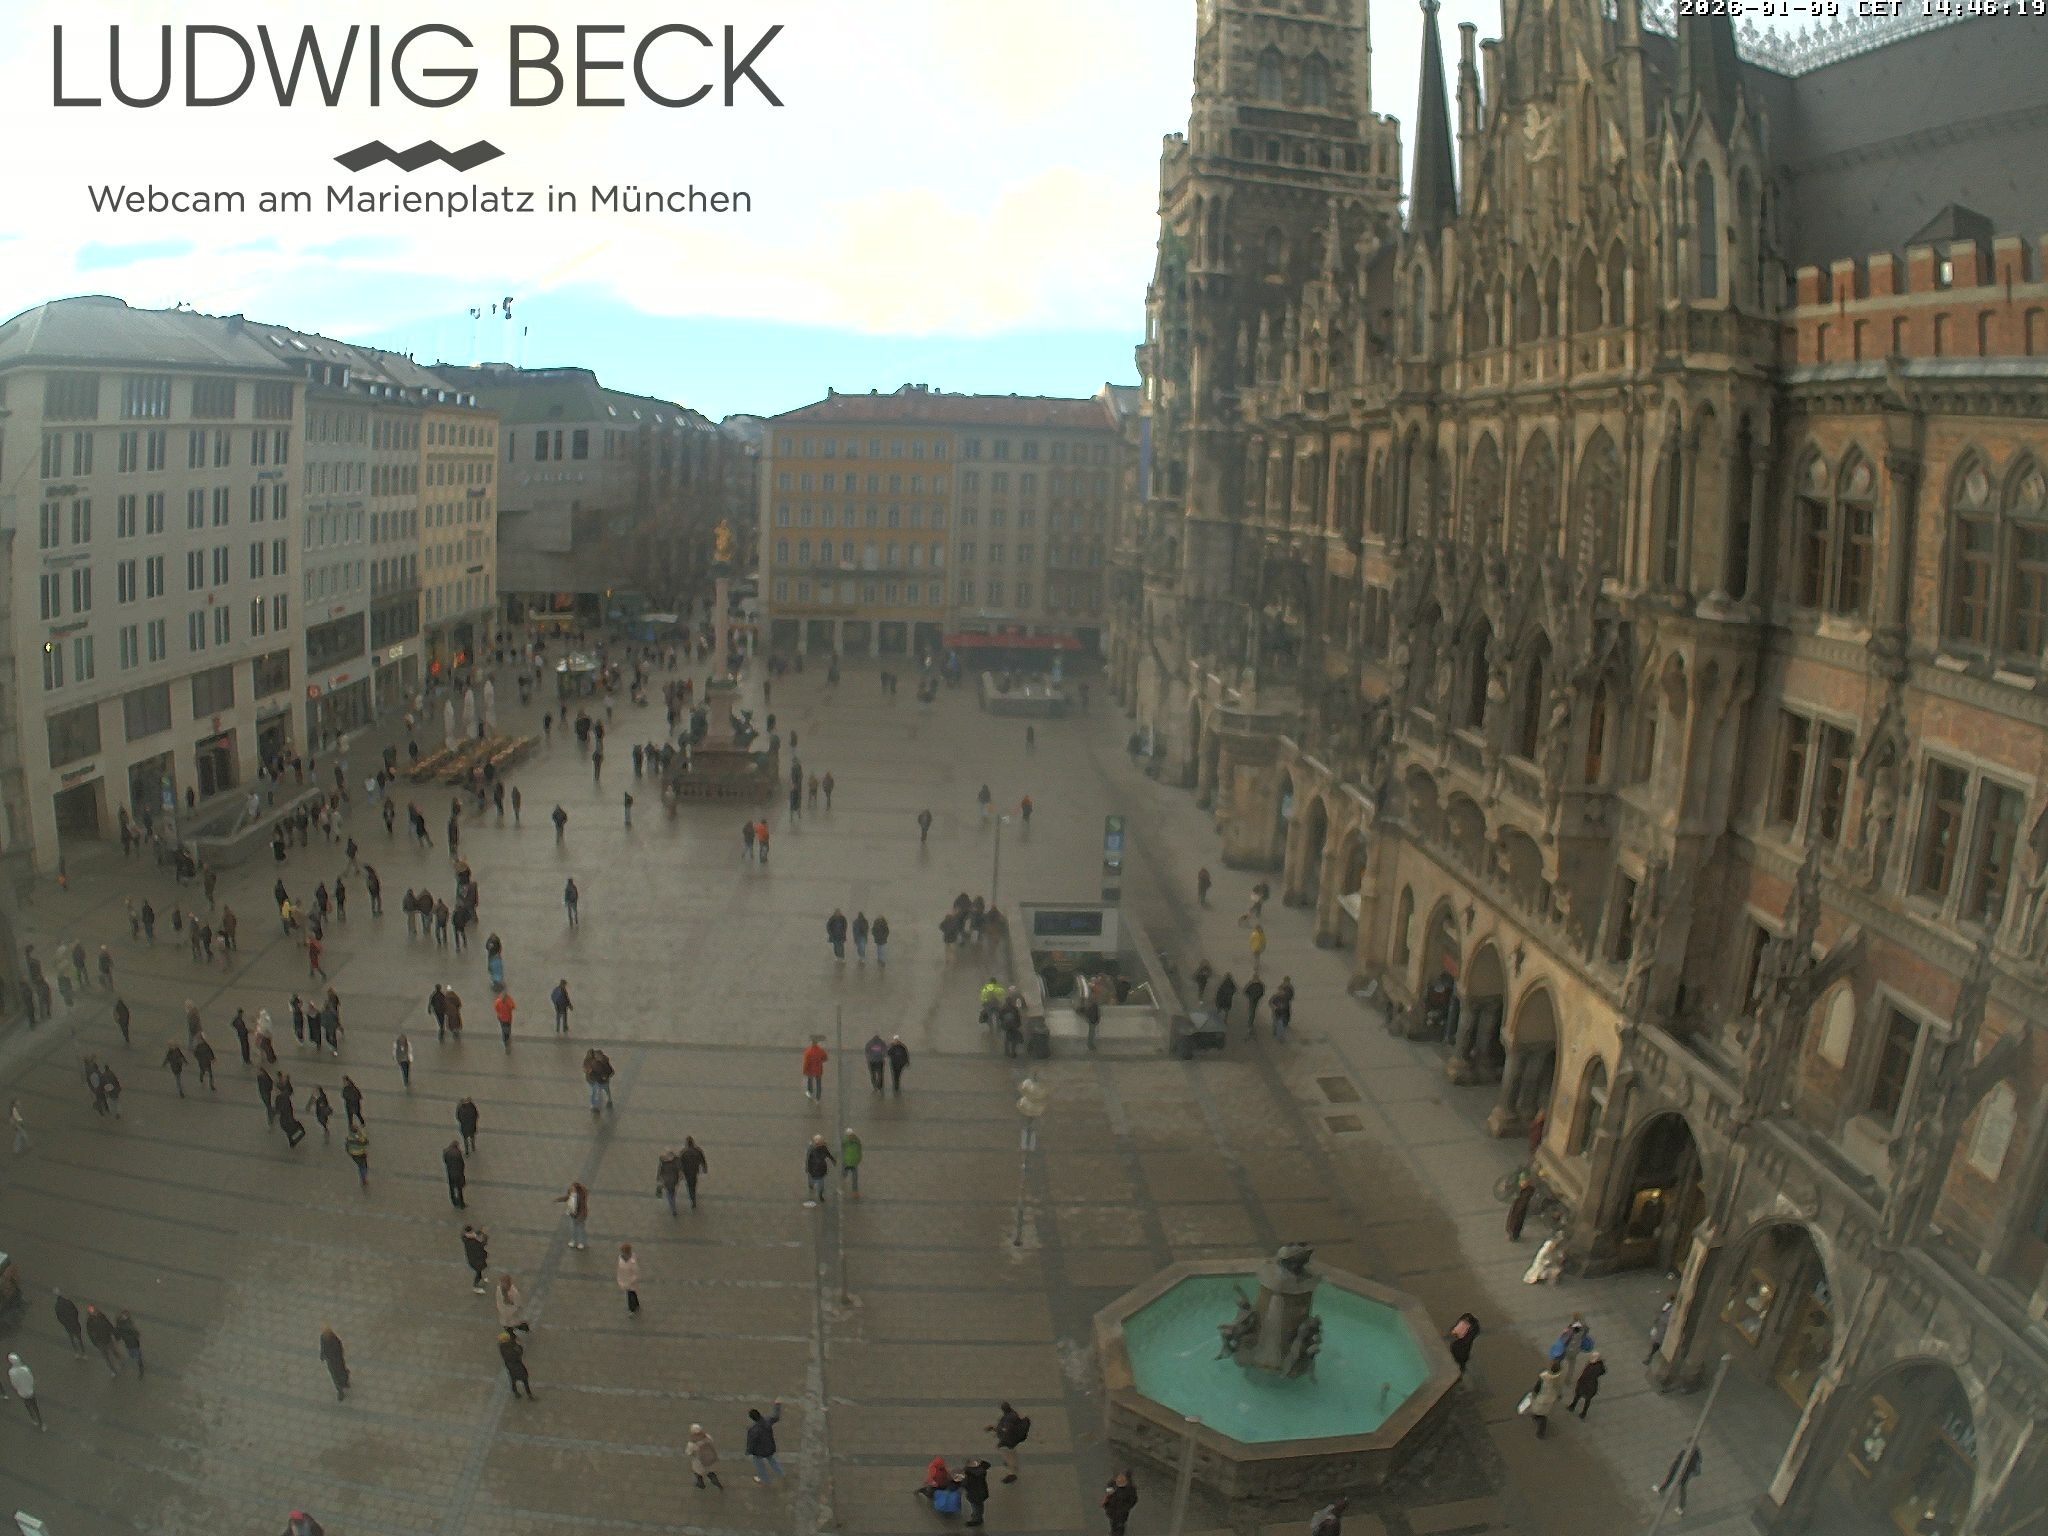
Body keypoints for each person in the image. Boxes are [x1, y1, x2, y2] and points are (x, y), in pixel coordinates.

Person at [1653, 1444, 1704, 1514]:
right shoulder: (1692, 1453)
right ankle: (1680, 1507)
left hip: (1681, 1473)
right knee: (1677, 1485)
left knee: (1679, 1486)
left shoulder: (1689, 1455)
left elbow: (1680, 1461)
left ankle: (1680, 1507)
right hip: (1681, 1472)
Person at [1524, 1358, 1567, 1438]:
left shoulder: (1544, 1377)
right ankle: (1541, 1431)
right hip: (1550, 1399)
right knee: (1544, 1414)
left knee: (1539, 1412)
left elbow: (1537, 1388)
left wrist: (1533, 1394)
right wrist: (1558, 1396)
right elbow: (1559, 1389)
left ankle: (1540, 1430)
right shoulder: (1559, 1378)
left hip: (1541, 1398)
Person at [988, 1400, 1030, 1482]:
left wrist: (997, 1431)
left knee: (1006, 1453)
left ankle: (1012, 1473)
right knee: (1011, 1452)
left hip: (1008, 1441)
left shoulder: (1008, 1418)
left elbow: (1006, 1430)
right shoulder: (1013, 1413)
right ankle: (1013, 1465)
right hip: (1013, 1440)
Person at [745, 1400, 785, 1482]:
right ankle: (781, 1474)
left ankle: (765, 1479)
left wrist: (748, 1451)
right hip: (770, 1447)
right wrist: (777, 1406)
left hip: (759, 1451)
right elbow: (776, 1417)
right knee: (773, 1461)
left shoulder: (753, 1430)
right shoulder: (767, 1421)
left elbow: (751, 1443)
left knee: (759, 1466)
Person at [9, 1354, 45, 1430]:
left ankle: (33, 1417)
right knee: (35, 1406)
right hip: (30, 1391)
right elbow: (31, 1379)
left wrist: (18, 1389)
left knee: (27, 1404)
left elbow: (14, 1383)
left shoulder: (11, 1372)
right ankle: (40, 1421)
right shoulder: (25, 1369)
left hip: (22, 1392)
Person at [498, 1329, 536, 1400]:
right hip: (516, 1365)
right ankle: (528, 1394)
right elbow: (519, 1352)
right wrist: (517, 1348)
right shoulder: (510, 1346)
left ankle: (516, 1392)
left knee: (513, 1379)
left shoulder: (502, 1347)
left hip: (510, 1366)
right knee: (524, 1379)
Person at [85, 1303, 121, 1376]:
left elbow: (108, 1324)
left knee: (114, 1351)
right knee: (106, 1358)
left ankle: (119, 1360)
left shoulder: (101, 1316)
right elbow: (90, 1334)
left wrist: (113, 1332)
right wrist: (95, 1343)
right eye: (91, 1311)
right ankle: (113, 1371)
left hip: (108, 1339)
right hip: (100, 1342)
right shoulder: (89, 1322)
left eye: (93, 1310)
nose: (93, 1312)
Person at [1568, 1350, 1606, 1419]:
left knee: (1578, 1395)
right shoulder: (1600, 1366)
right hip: (1593, 1385)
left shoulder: (1591, 1367)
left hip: (1584, 1384)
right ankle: (1583, 1413)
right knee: (1587, 1400)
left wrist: (1578, 1381)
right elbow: (1602, 1372)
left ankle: (1572, 1406)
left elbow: (1583, 1375)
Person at [687, 1423, 724, 1490]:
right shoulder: (706, 1436)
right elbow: (711, 1441)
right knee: (710, 1472)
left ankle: (701, 1484)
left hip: (699, 1460)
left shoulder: (692, 1442)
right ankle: (716, 1482)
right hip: (710, 1458)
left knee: (698, 1473)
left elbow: (689, 1452)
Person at [957, 1456, 992, 1527]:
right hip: (982, 1491)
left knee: (975, 1506)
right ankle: (978, 1516)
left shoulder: (968, 1473)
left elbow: (965, 1483)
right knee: (979, 1505)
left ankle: (976, 1519)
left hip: (973, 1493)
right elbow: (987, 1464)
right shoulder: (981, 1470)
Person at [1101, 1470, 1138, 1535]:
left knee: (1120, 1526)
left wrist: (1125, 1508)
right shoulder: (1112, 1484)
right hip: (1111, 1510)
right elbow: (1108, 1492)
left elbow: (1133, 1500)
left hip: (1122, 1513)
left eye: (1122, 1477)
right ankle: (1113, 1532)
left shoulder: (1130, 1488)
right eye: (1119, 1477)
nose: (1120, 1479)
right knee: (1113, 1524)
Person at [1644, 1291, 1676, 1366]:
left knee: (1657, 1342)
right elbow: (1661, 1312)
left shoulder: (1673, 1309)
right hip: (1660, 1325)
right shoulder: (1667, 1305)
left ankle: (1650, 1357)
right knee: (1654, 1341)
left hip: (1664, 1328)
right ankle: (1650, 1355)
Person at [319, 1325, 350, 1401]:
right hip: (331, 1362)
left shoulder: (334, 1339)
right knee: (335, 1377)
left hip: (338, 1360)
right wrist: (323, 1355)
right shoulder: (323, 1338)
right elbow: (323, 1348)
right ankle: (340, 1391)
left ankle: (345, 1382)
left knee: (342, 1372)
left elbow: (339, 1347)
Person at [556, 1181, 590, 1249]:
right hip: (572, 1214)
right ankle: (573, 1241)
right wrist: (558, 1200)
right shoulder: (571, 1194)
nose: (572, 1189)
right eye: (571, 1188)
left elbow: (583, 1207)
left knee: (580, 1229)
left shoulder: (581, 1196)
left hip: (580, 1216)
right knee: (572, 1229)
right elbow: (566, 1198)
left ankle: (581, 1243)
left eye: (573, 1188)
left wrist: (581, 1216)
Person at [803, 1134, 835, 1206]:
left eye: (820, 1142)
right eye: (818, 1142)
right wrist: (807, 1167)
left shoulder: (823, 1148)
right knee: (812, 1182)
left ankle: (820, 1195)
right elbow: (808, 1159)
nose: (819, 1143)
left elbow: (828, 1154)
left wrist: (832, 1159)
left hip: (820, 1171)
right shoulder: (811, 1149)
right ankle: (811, 1187)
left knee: (821, 1185)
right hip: (813, 1170)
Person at [113, 1309, 145, 1377]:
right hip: (129, 1342)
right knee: (132, 1354)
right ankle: (140, 1361)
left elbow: (136, 1333)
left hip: (132, 1343)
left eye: (125, 1316)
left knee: (135, 1354)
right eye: (124, 1315)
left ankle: (141, 1366)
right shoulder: (121, 1324)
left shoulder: (128, 1324)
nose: (124, 1316)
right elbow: (136, 1333)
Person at [679, 1136, 708, 1210]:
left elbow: (679, 1163)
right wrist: (705, 1168)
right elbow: (703, 1160)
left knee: (689, 1186)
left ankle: (692, 1199)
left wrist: (680, 1173)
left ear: (687, 1144)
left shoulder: (683, 1152)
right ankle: (693, 1197)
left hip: (687, 1172)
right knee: (693, 1184)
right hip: (694, 1171)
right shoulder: (698, 1151)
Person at [54, 1290, 85, 1357]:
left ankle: (76, 1352)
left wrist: (65, 1323)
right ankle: (83, 1352)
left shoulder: (57, 1307)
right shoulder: (68, 1302)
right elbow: (76, 1311)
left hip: (68, 1326)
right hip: (75, 1323)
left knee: (72, 1339)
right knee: (79, 1338)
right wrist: (75, 1319)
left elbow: (59, 1318)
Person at [461, 1224, 490, 1292]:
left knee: (480, 1269)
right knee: (478, 1271)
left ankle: (481, 1278)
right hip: (476, 1260)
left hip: (474, 1258)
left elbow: (474, 1234)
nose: (474, 1234)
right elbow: (483, 1244)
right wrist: (485, 1235)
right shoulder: (473, 1243)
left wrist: (480, 1231)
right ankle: (475, 1286)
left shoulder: (465, 1238)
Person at [617, 1242, 642, 1314]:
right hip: (625, 1278)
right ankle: (636, 1305)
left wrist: (632, 1279)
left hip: (630, 1280)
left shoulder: (632, 1261)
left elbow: (635, 1270)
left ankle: (632, 1308)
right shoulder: (621, 1258)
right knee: (632, 1293)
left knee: (630, 1294)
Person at [445, 1141, 469, 1209]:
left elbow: (446, 1161)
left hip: (450, 1173)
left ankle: (454, 1201)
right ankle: (461, 1204)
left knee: (452, 1188)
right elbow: (462, 1164)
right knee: (459, 1189)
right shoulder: (458, 1153)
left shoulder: (446, 1152)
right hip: (458, 1174)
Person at [840, 1127, 863, 1198]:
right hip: (847, 1162)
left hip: (853, 1162)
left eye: (851, 1135)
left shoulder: (856, 1141)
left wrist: (859, 1158)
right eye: (849, 1135)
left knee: (854, 1177)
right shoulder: (846, 1141)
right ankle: (841, 1187)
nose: (850, 1136)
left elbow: (859, 1149)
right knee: (844, 1175)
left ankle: (854, 1191)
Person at [345, 1123, 369, 1187]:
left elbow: (347, 1146)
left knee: (360, 1166)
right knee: (363, 1166)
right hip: (361, 1154)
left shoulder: (349, 1137)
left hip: (353, 1155)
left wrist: (349, 1152)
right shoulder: (359, 1137)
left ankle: (363, 1177)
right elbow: (365, 1142)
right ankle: (363, 1178)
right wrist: (362, 1133)